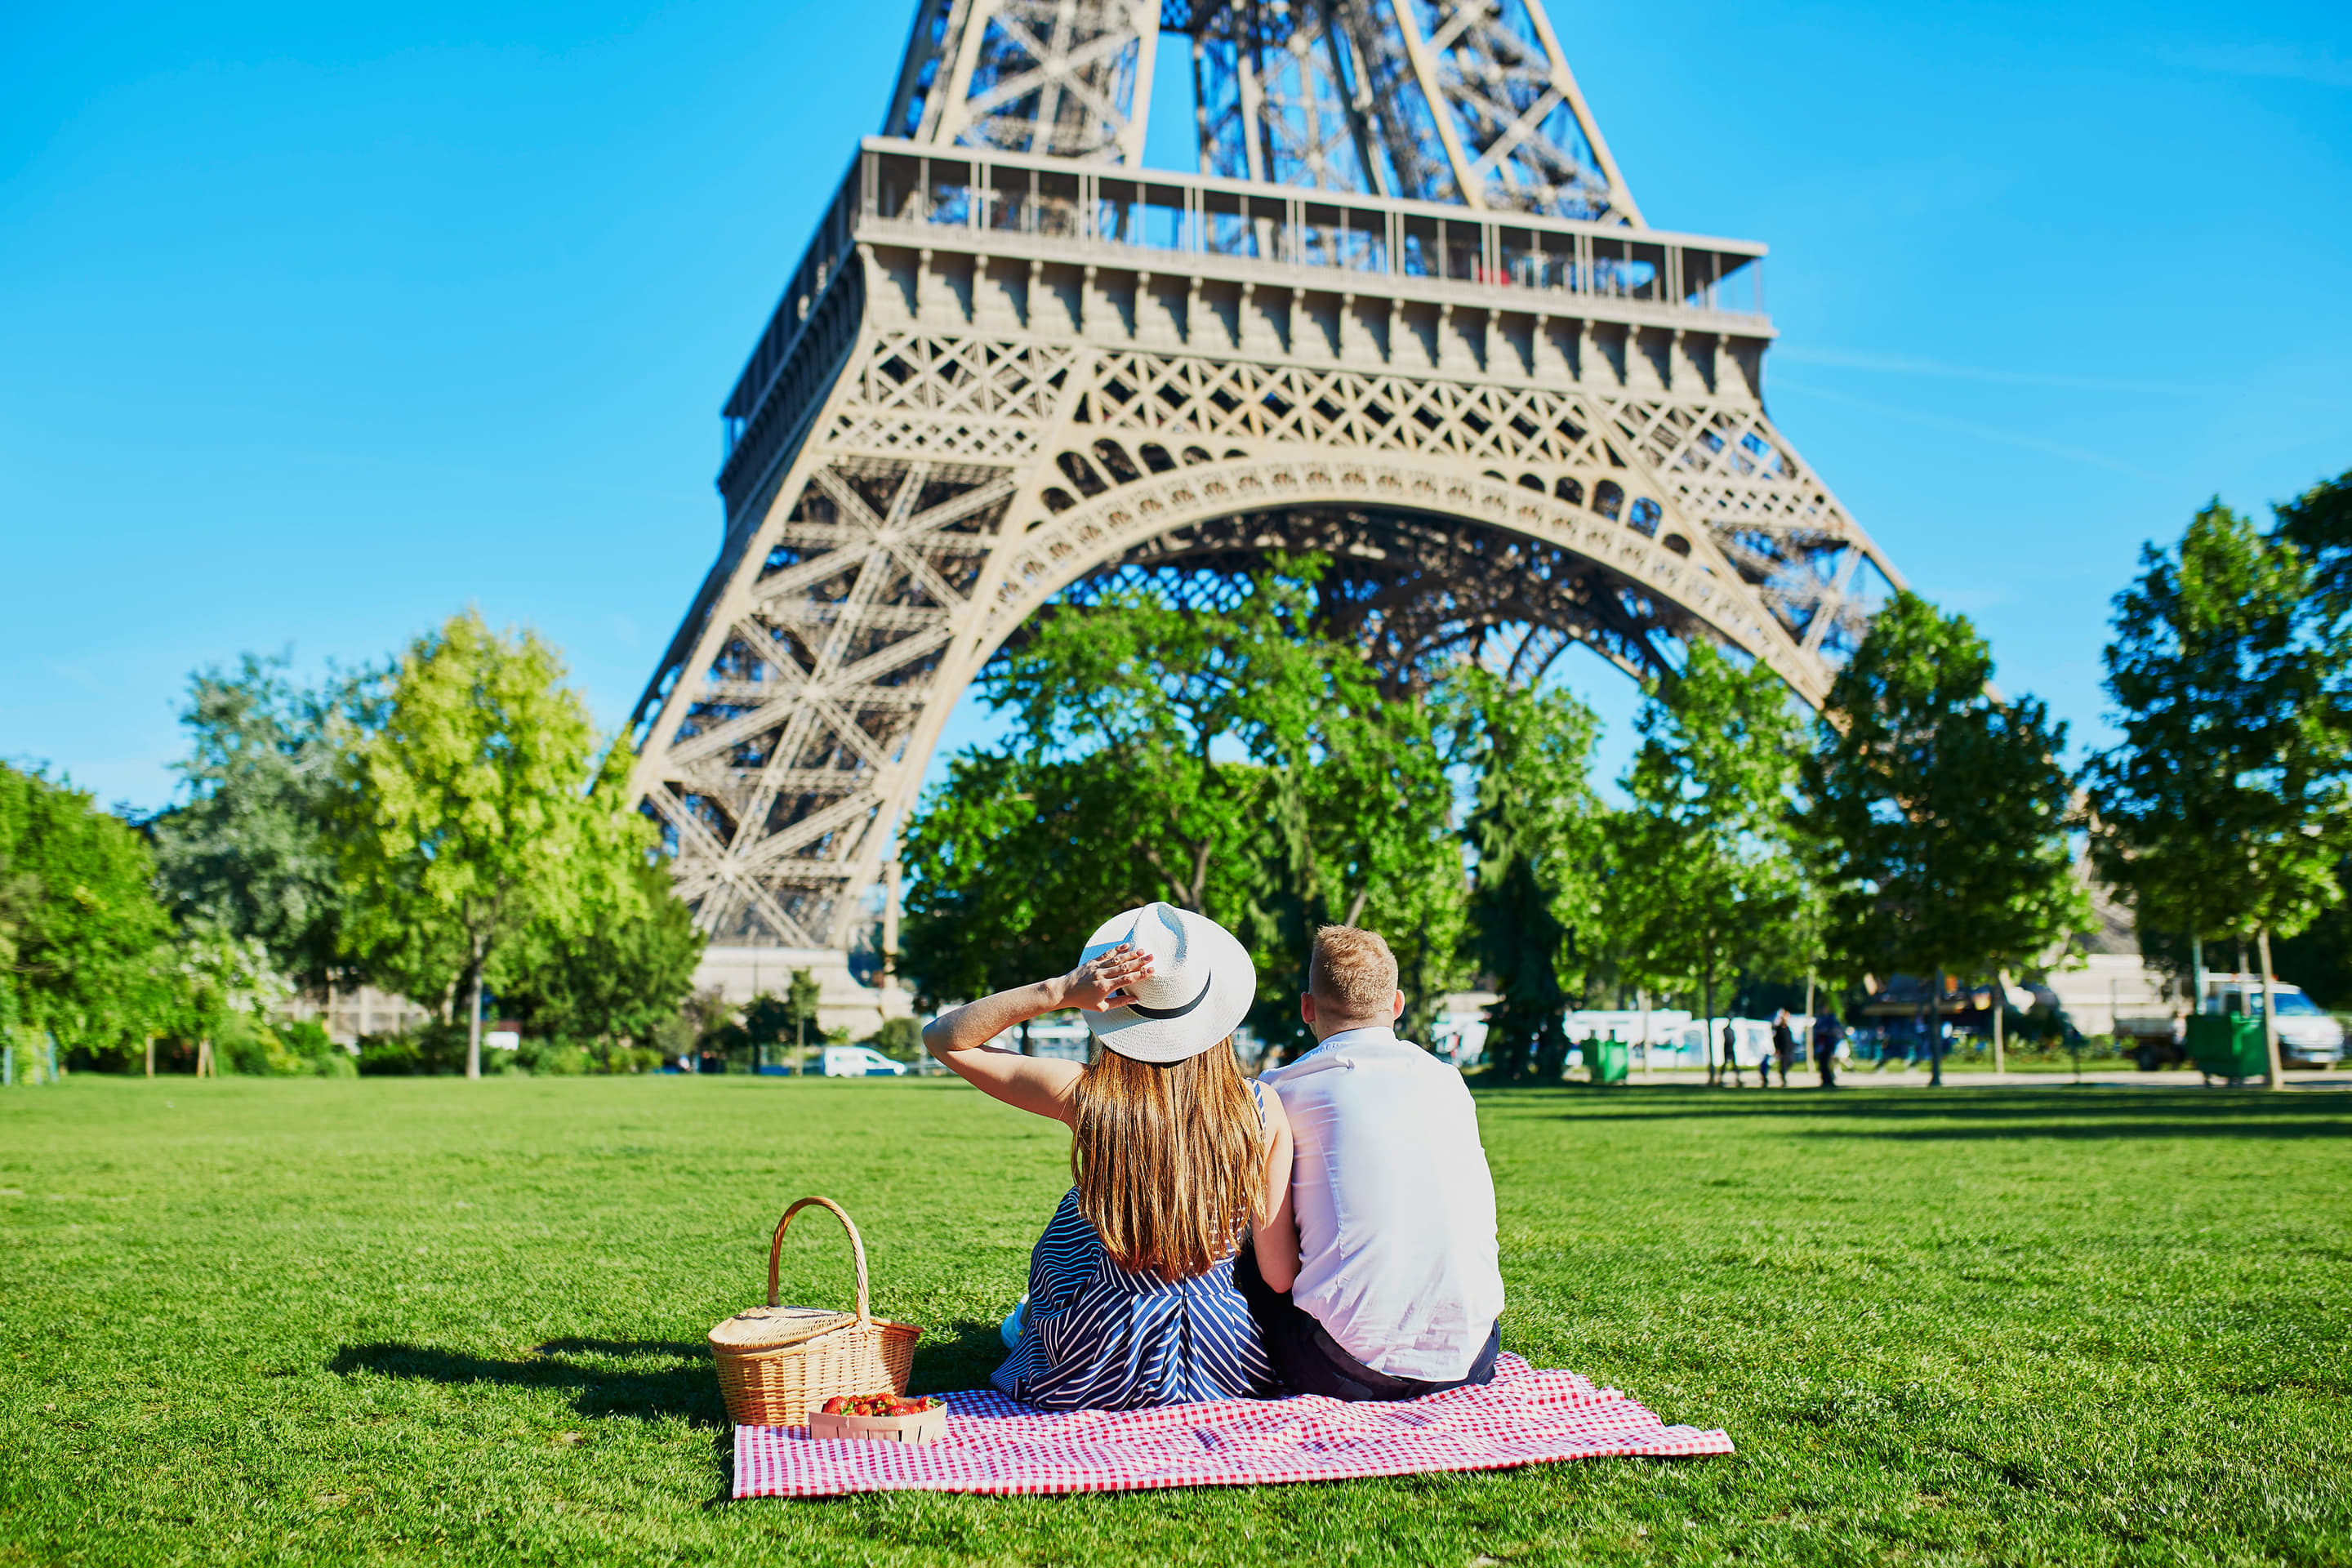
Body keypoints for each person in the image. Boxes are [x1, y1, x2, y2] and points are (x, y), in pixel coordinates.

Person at [923, 902, 1297, 1410]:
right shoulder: (1260, 1107)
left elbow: (945, 1039)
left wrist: (1058, 991)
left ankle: (1032, 1320)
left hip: (1100, 1357)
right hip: (1224, 1358)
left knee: (1076, 1210)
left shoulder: (1087, 1095)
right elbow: (1278, 1274)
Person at [1239, 926, 1505, 1402]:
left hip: (1341, 1369)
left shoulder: (1281, 1092)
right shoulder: (1448, 1082)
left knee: (1244, 1241)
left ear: (1307, 1009)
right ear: (1397, 1004)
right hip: (1470, 1357)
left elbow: (1277, 1276)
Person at [1811, 1009, 1842, 1088]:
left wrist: (1824, 1032)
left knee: (1827, 1063)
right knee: (1823, 1063)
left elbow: (1835, 1031)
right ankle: (1826, 1080)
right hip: (1822, 1045)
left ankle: (1829, 1080)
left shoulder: (1830, 1020)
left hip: (1828, 1044)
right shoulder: (1820, 1020)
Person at [1771, 1010, 1796, 1088]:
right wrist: (1777, 1049)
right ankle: (1783, 1079)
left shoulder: (1788, 1028)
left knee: (1790, 1062)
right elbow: (1776, 1040)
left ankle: (1783, 1074)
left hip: (1789, 1049)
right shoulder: (1779, 1029)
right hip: (1783, 1049)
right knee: (1784, 1064)